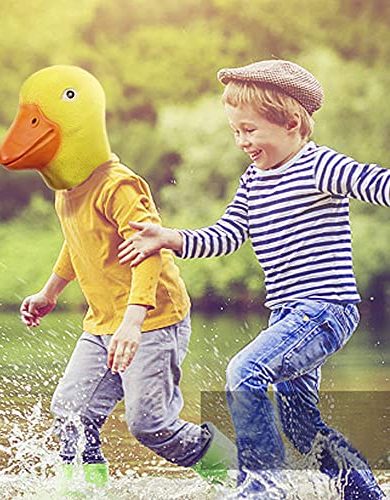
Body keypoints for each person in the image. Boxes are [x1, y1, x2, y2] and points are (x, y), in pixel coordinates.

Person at [118, 59, 388, 499]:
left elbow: (376, 183)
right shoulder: (253, 182)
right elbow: (225, 236)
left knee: (245, 372)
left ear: (291, 122)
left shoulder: (321, 166)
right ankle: (364, 494)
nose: (241, 141)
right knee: (303, 430)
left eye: (250, 130)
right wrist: (169, 237)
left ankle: (262, 487)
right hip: (288, 316)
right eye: (236, 132)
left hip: (324, 308)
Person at [0, 65, 236, 494]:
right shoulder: (67, 192)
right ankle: (84, 491)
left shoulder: (118, 186)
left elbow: (150, 249)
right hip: (103, 323)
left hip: (152, 320)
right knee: (70, 412)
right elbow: (79, 242)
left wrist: (133, 321)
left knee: (150, 425)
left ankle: (237, 470)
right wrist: (50, 291)